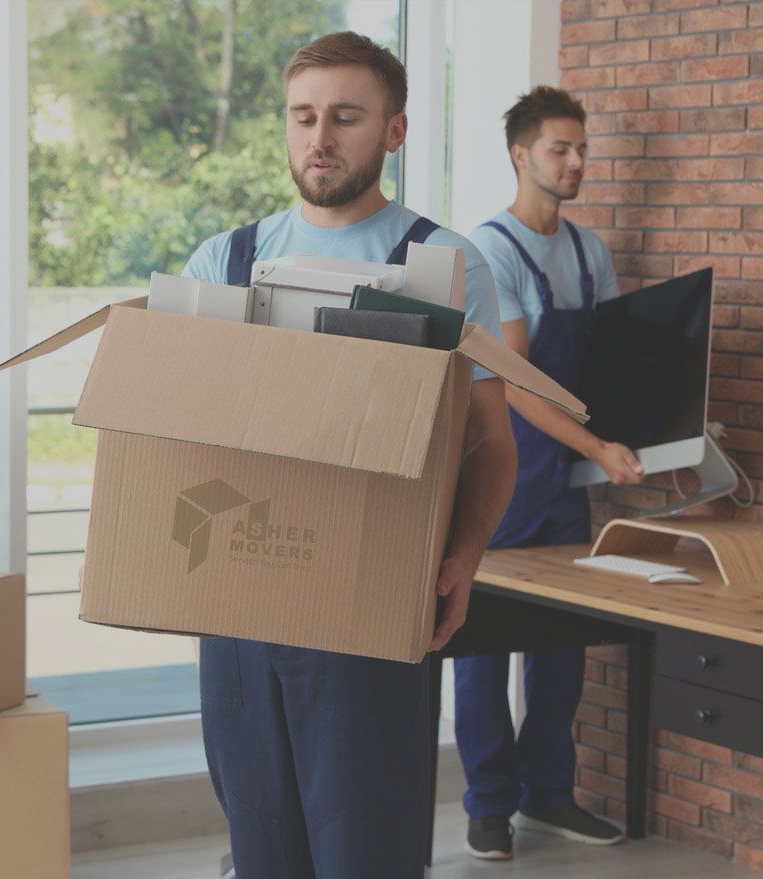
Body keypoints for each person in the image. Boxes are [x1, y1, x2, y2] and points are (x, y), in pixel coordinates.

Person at [181, 31, 516, 879]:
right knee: (260, 845)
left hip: (373, 598)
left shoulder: (443, 265)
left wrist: (465, 557)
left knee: (365, 846)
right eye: (302, 117)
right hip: (241, 599)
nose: (319, 138)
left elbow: (490, 440)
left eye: (345, 117)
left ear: (393, 132)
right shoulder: (225, 260)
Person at [454, 86, 644, 861]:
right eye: (559, 148)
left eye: (581, 149)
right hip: (498, 477)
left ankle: (550, 795)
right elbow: (515, 383)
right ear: (519, 154)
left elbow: (610, 364)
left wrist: (660, 435)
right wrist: (599, 451)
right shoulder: (487, 250)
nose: (574, 162)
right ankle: (488, 806)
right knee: (481, 651)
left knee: (561, 650)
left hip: (563, 488)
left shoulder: (588, 250)